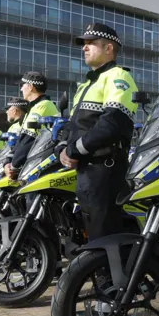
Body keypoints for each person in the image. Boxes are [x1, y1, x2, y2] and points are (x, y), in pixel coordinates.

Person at [58, 23, 138, 239]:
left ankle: (108, 274)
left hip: (106, 170)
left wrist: (73, 151)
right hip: (86, 171)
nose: (84, 47)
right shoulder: (86, 84)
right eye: (84, 44)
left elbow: (112, 124)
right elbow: (73, 124)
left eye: (91, 43)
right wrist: (63, 148)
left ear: (109, 48)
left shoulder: (118, 77)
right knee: (92, 232)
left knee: (105, 237)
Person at [5, 72, 59, 179]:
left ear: (30, 87)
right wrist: (8, 162)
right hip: (33, 165)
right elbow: (21, 140)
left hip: (40, 167)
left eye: (22, 85)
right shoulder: (34, 108)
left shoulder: (43, 105)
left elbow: (28, 138)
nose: (21, 89)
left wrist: (14, 165)